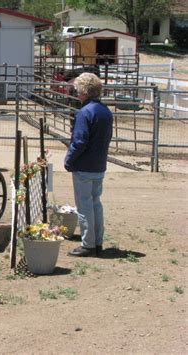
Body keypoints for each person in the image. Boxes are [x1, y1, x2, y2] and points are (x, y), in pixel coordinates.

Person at [65, 72, 113, 257]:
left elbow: (79, 141)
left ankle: (88, 244)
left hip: (84, 165)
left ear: (84, 91)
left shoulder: (84, 113)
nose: (77, 94)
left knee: (84, 205)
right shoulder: (105, 111)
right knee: (95, 203)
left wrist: (69, 160)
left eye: (78, 91)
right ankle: (97, 241)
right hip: (99, 164)